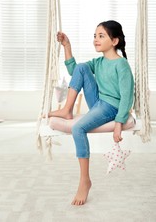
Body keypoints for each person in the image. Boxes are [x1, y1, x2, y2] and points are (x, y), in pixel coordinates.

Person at [49, 20, 134, 206]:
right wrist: (67, 46)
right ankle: (67, 110)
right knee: (81, 67)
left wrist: (118, 124)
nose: (96, 39)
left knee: (78, 128)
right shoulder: (99, 61)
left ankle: (84, 181)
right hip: (97, 101)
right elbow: (75, 72)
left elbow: (127, 97)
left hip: (110, 106)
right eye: (95, 36)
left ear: (114, 41)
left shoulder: (122, 65)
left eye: (101, 36)